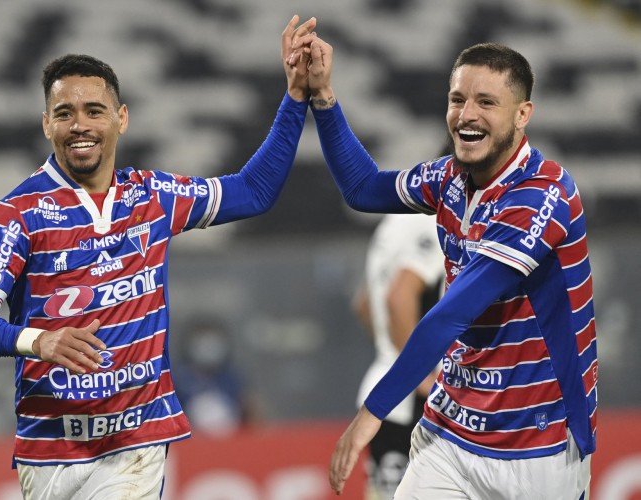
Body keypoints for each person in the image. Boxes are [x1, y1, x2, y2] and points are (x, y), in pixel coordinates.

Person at [0, 15, 315, 499]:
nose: (79, 124)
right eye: (64, 113)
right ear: (46, 124)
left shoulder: (153, 195)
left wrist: (294, 97)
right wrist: (38, 341)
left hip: (135, 443)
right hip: (48, 449)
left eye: (94, 110)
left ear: (121, 118)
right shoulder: (19, 213)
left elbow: (254, 190)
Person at [289, 35, 597, 499]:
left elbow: (452, 313)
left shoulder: (543, 194)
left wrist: (372, 412)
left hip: (538, 445)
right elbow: (362, 187)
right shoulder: (448, 179)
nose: (466, 114)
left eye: (486, 102)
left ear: (522, 115)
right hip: (450, 434)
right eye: (458, 99)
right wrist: (324, 98)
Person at [352, 213, 444, 499]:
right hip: (413, 406)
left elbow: (365, 305)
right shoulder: (433, 222)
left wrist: (389, 352)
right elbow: (399, 297)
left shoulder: (390, 225)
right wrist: (421, 378)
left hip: (381, 389)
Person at [173, 315, 258, 436]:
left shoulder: (232, 377)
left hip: (231, 441)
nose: (207, 347)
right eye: (202, 341)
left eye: (212, 341)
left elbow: (250, 409)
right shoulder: (179, 378)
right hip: (189, 442)